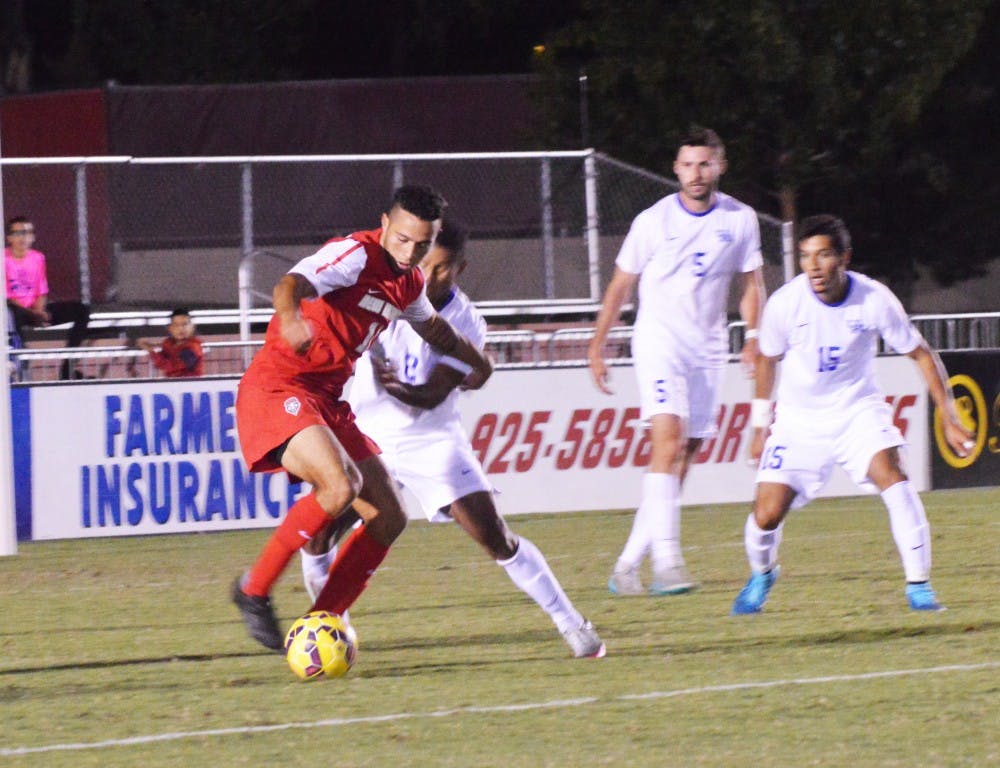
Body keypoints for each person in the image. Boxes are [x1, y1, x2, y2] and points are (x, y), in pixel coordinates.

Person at [300, 221, 605, 659]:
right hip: (367, 436)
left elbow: (431, 393)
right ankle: (332, 622)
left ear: (460, 267)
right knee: (316, 536)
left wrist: (395, 385)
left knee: (494, 535)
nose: (430, 275)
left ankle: (573, 624)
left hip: (431, 439)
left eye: (442, 268)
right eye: (425, 264)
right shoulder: (384, 293)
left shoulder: (465, 321)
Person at [230, 185, 493, 651]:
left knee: (390, 515)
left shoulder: (408, 281)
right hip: (279, 387)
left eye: (422, 244)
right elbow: (289, 283)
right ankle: (253, 590)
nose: (411, 252)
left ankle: (320, 623)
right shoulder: (354, 254)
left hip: (328, 401)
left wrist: (480, 362)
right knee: (339, 487)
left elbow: (434, 329)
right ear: (386, 224)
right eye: (403, 239)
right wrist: (291, 319)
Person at [731, 214, 974, 615]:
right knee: (766, 513)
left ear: (844, 257)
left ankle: (920, 587)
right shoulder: (785, 304)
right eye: (806, 256)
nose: (813, 266)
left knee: (894, 477)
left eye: (823, 255)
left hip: (856, 411)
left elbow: (920, 353)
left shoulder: (874, 299)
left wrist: (947, 410)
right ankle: (762, 574)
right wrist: (760, 426)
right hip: (798, 422)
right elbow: (767, 361)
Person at [588, 127, 765, 596]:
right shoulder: (653, 220)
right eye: (688, 164)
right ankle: (667, 563)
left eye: (705, 164)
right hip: (659, 341)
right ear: (676, 169)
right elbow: (620, 286)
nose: (697, 173)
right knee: (667, 439)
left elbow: (751, 284)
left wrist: (754, 336)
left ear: (720, 167)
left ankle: (627, 565)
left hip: (707, 349)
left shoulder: (741, 220)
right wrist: (598, 343)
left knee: (684, 454)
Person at [5, 215, 91, 379]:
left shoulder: (37, 258)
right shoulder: (3, 259)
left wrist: (40, 310)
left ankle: (67, 369)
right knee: (10, 312)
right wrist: (33, 313)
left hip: (34, 309)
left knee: (82, 310)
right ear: (9, 237)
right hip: (15, 311)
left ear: (33, 236)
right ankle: (18, 364)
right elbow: (7, 297)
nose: (23, 237)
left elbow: (41, 289)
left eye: (27, 232)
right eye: (18, 233)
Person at [137, 308, 204, 377]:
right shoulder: (169, 343)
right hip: (172, 384)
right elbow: (162, 358)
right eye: (176, 325)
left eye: (185, 324)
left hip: (190, 385)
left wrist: (151, 350)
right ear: (170, 328)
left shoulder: (194, 347)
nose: (180, 328)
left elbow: (172, 366)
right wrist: (150, 347)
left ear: (193, 327)